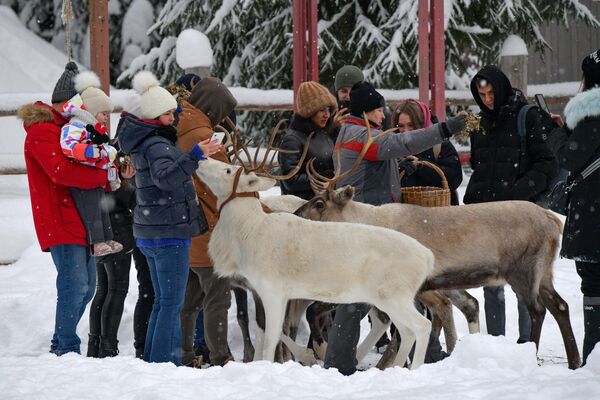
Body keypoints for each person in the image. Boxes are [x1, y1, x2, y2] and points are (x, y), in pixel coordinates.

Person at [324, 81, 466, 375]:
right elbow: (401, 142)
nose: (383, 114)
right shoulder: (363, 136)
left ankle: (423, 353)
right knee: (363, 297)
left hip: (365, 227)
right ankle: (339, 365)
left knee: (384, 290)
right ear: (365, 112)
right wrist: (444, 130)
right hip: (370, 229)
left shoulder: (350, 132)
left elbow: (386, 155)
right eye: (377, 109)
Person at [117, 71, 221, 365]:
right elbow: (166, 178)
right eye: (168, 114)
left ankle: (154, 360)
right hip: (168, 233)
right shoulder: (158, 144)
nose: (174, 118)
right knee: (171, 304)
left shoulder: (142, 142)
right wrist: (196, 154)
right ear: (154, 115)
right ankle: (164, 364)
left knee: (163, 302)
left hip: (151, 231)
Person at [18, 61, 109, 356]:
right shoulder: (42, 131)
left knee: (87, 286)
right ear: (70, 101)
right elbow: (61, 171)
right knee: (74, 286)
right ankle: (66, 348)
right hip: (58, 219)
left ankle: (61, 344)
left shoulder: (68, 128)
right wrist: (101, 175)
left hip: (77, 219)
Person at [465, 65, 558, 342]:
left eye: (491, 92)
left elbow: (547, 164)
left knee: (523, 282)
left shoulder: (527, 117)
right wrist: (473, 203)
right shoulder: (477, 122)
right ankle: (497, 346)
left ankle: (527, 346)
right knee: (491, 283)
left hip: (520, 217)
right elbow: (478, 167)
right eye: (481, 94)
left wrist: (516, 193)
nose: (487, 99)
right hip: (487, 217)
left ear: (502, 88)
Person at [175, 76, 238, 367]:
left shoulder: (181, 124)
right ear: (214, 108)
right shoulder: (203, 135)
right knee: (217, 298)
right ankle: (220, 355)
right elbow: (226, 181)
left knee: (188, 301)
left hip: (187, 227)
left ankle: (185, 352)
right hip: (210, 228)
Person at [546, 48, 600, 365]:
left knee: (593, 284)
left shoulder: (592, 113)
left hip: (594, 217)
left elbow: (570, 158)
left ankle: (594, 359)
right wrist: (568, 130)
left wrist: (555, 135)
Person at [59, 71, 122, 257]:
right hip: (81, 178)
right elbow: (68, 145)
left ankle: (106, 237)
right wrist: (88, 152)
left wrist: (108, 157)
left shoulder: (93, 129)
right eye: (103, 113)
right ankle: (96, 241)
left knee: (102, 207)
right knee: (92, 208)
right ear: (92, 112)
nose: (105, 118)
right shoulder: (75, 126)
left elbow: (103, 150)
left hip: (94, 177)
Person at [393, 99, 463, 205]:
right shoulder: (393, 149)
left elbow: (454, 179)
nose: (406, 131)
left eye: (411, 125)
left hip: (439, 214)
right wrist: (398, 168)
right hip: (406, 216)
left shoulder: (439, 145)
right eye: (401, 126)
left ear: (421, 123)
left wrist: (422, 166)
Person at [279, 81, 338, 200]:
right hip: (301, 208)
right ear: (309, 112)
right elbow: (290, 180)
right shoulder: (292, 140)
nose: (327, 115)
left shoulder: (325, 134)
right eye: (322, 110)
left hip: (323, 205)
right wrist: (324, 178)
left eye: (328, 109)